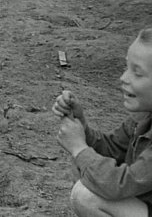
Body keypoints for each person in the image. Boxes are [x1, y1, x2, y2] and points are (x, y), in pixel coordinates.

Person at [52, 28, 152, 216]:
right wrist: (82, 127)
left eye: (137, 73)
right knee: (87, 169)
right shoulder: (143, 118)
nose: (123, 78)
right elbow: (113, 149)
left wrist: (79, 148)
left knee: (86, 194)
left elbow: (119, 184)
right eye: (127, 67)